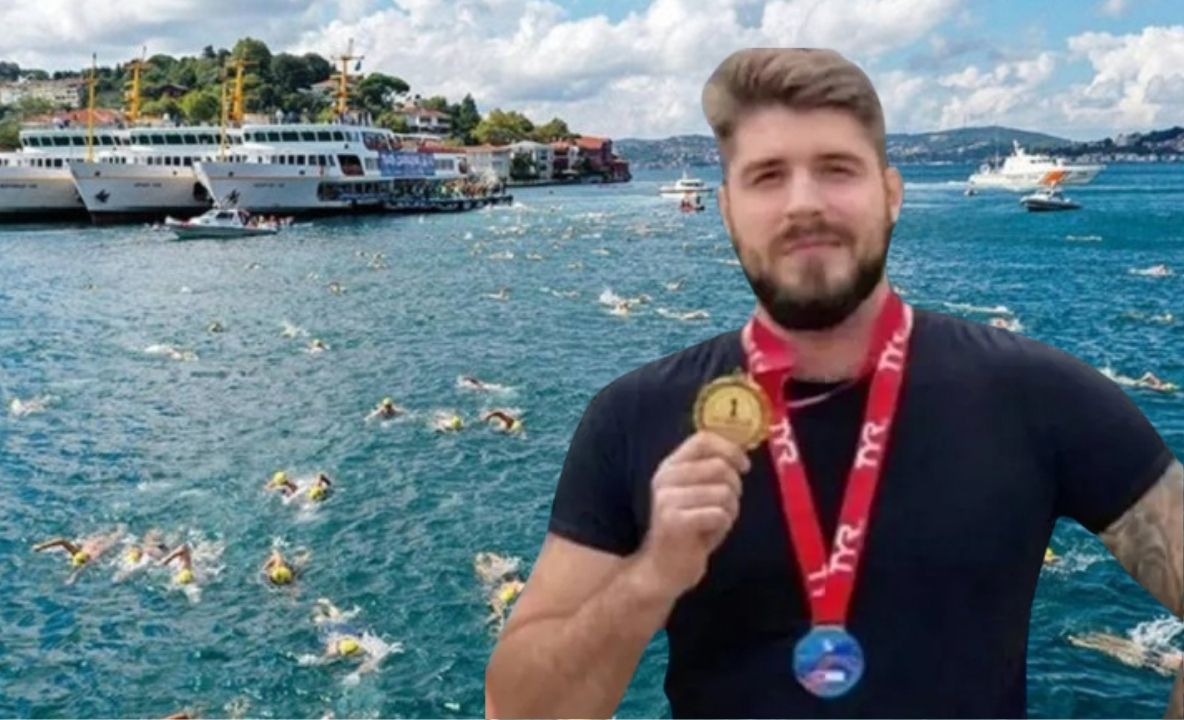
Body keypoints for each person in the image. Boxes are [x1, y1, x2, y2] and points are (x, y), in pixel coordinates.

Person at [484, 48, 1183, 718]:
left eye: (837, 170)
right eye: (767, 176)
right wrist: (652, 576)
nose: (804, 204)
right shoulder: (635, 419)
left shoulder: (1040, 397)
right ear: (726, 209)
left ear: (891, 195)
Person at [32, 527, 125, 584]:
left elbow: (81, 569)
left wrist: (73, 577)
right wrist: (41, 546)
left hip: (100, 542)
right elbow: (61, 541)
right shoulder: (80, 553)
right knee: (116, 535)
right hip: (97, 542)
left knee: (116, 537)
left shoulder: (95, 555)